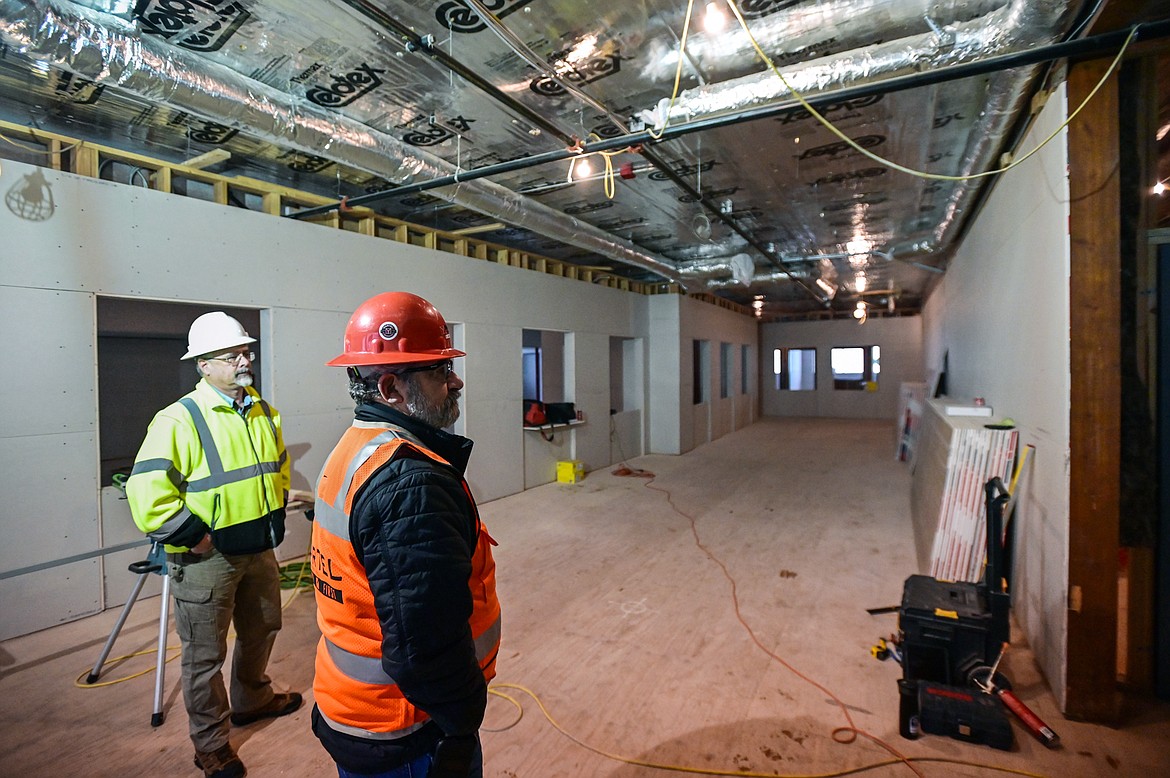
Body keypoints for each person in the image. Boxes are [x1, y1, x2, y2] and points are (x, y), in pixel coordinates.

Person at [310, 292, 502, 778]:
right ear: (392, 388)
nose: (456, 380)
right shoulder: (409, 484)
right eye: (439, 371)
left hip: (360, 713)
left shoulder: (358, 447)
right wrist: (460, 726)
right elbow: (424, 644)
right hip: (407, 728)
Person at [125, 311, 303, 778]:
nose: (245, 360)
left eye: (246, 351)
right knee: (205, 654)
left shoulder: (264, 410)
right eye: (233, 355)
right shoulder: (178, 419)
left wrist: (276, 508)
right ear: (203, 365)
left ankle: (252, 699)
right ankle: (211, 743)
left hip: (259, 548)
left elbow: (277, 467)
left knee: (263, 627)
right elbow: (146, 494)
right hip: (208, 559)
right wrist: (194, 537)